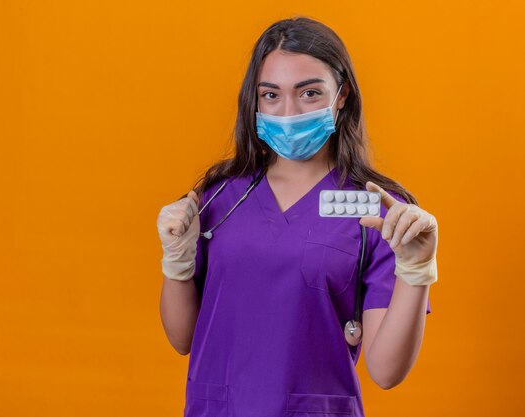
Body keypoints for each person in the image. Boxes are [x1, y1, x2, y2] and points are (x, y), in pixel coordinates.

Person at [157, 16, 438, 417]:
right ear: (254, 101)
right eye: (271, 95)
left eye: (308, 93)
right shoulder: (218, 199)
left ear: (342, 95)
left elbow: (386, 371)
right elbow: (182, 338)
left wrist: (416, 272)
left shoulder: (380, 212)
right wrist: (176, 263)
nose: (288, 112)